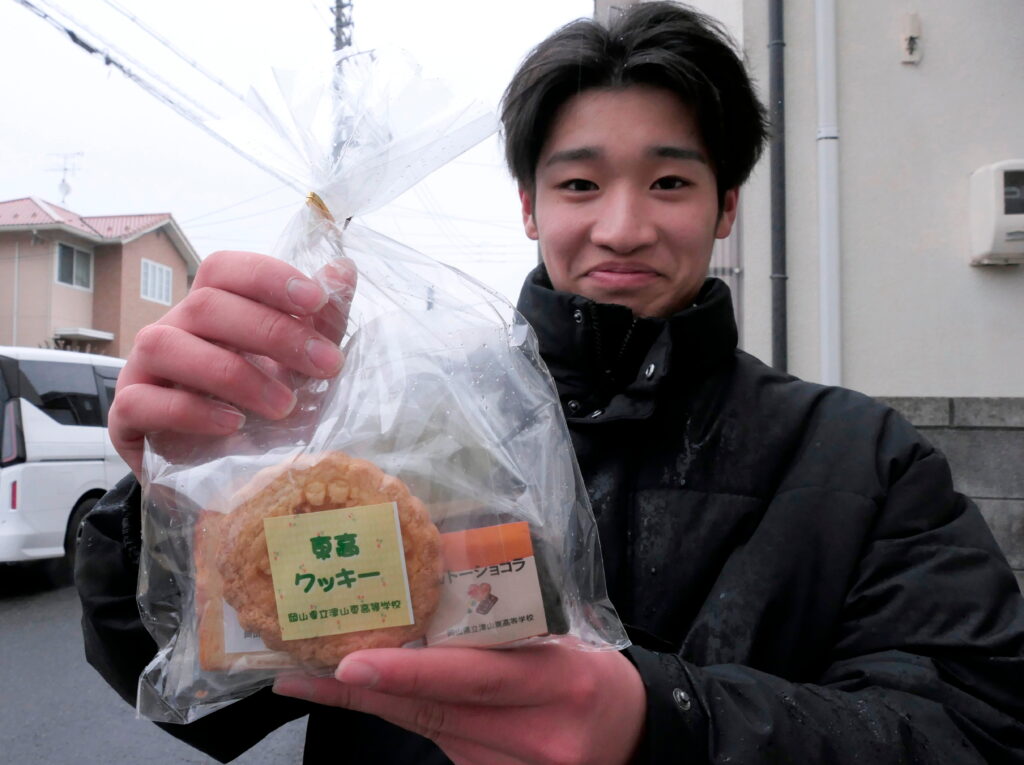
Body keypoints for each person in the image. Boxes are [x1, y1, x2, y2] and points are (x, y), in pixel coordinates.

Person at [77, 3, 1024, 763]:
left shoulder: (866, 460)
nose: (622, 226)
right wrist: (169, 505)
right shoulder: (394, 427)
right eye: (578, 185)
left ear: (726, 205)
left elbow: (976, 724)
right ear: (527, 206)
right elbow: (205, 705)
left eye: (669, 183)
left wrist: (665, 723)